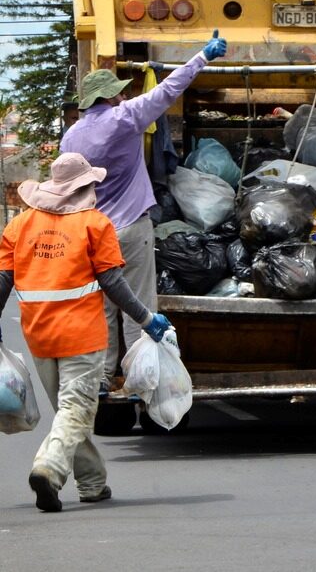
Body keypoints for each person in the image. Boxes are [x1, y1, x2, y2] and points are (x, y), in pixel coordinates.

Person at [0, 153, 173, 512]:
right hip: (82, 336)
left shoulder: (20, 225)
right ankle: (49, 468)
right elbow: (113, 282)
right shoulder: (96, 224)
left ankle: (93, 484)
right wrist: (146, 319)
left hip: (39, 337)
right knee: (75, 411)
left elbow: (3, 279)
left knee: (69, 413)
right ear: (85, 187)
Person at [61, 30, 227, 395]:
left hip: (90, 233)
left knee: (102, 307)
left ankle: (103, 378)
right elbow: (168, 90)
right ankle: (139, 380)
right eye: (120, 90)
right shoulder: (126, 117)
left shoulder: (71, 137)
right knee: (137, 307)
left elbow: (66, 186)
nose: (125, 93)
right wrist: (203, 56)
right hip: (131, 229)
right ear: (111, 96)